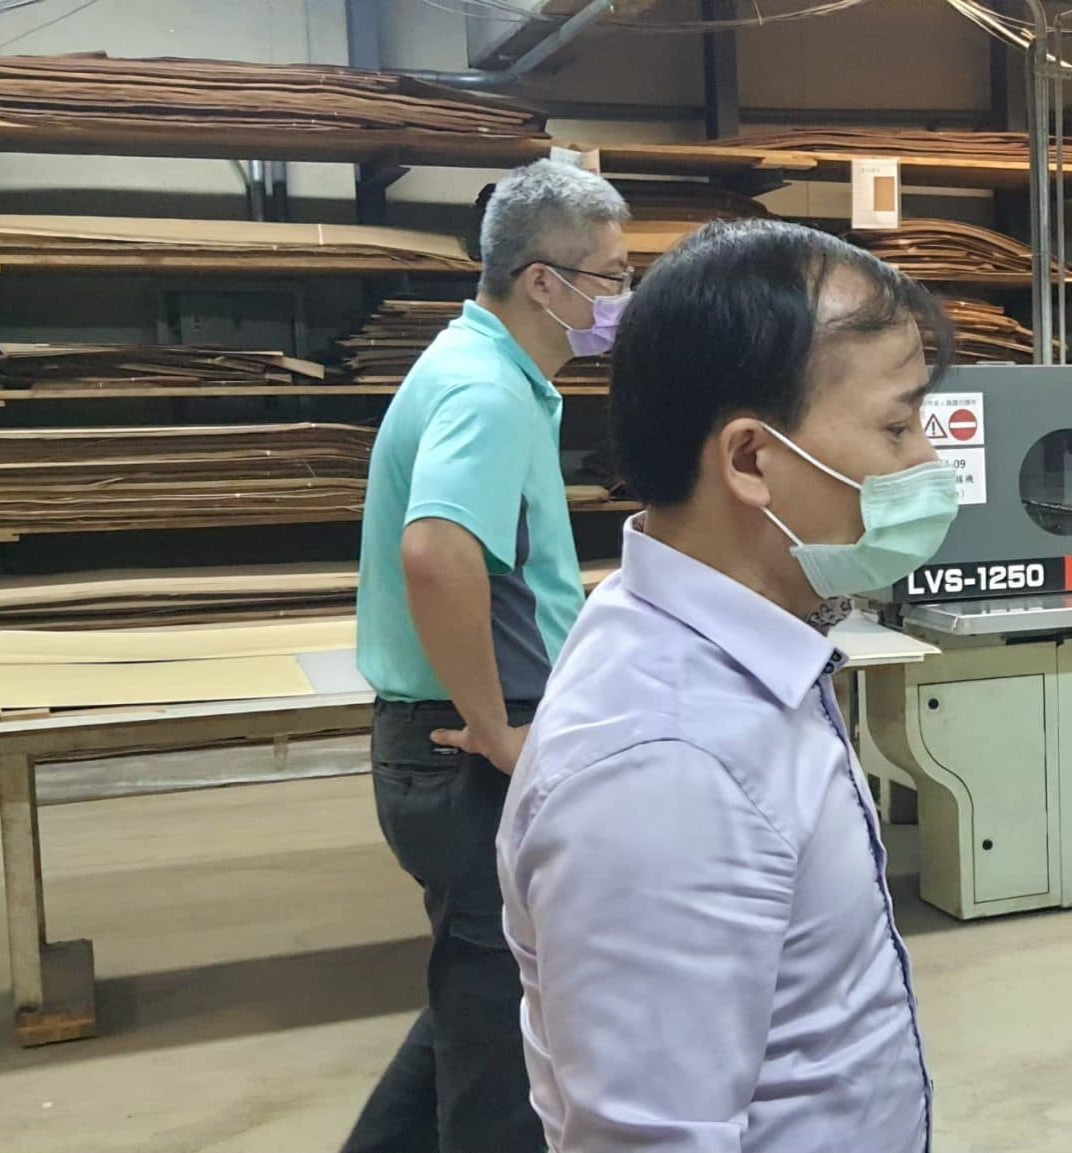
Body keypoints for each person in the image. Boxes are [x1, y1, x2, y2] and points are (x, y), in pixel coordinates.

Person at [496, 219, 949, 1153]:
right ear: (750, 459)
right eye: (897, 427)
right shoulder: (666, 765)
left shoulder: (734, 648)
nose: (927, 465)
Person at [347, 158, 632, 1153]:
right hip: (465, 755)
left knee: (477, 995)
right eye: (611, 276)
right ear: (543, 282)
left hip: (442, 747)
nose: (622, 297)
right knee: (498, 1052)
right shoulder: (487, 392)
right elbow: (436, 553)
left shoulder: (482, 367)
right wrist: (497, 726)